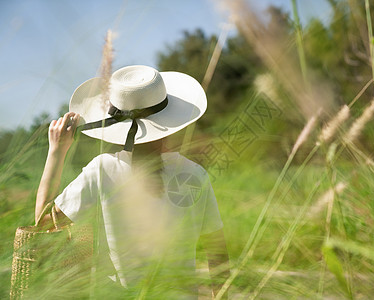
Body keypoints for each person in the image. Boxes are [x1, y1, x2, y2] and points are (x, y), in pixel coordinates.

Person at [34, 65, 229, 299]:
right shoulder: (196, 175)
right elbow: (218, 256)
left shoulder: (102, 169)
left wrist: (56, 151)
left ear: (119, 123)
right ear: (169, 122)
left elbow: (43, 223)